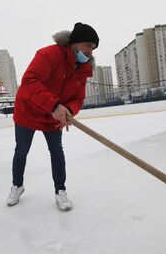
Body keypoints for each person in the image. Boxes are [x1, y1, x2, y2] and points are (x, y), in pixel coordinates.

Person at [6, 22, 99, 211]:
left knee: (57, 151)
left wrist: (69, 112)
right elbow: (29, 81)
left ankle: (60, 190)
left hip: (53, 117)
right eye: (88, 45)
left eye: (93, 47)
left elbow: (77, 99)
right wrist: (55, 105)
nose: (90, 51)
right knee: (21, 150)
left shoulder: (83, 69)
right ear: (75, 43)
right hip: (28, 111)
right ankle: (17, 185)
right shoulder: (49, 54)